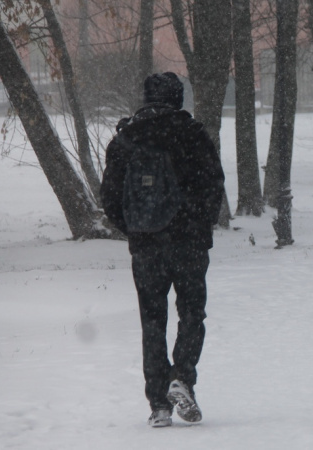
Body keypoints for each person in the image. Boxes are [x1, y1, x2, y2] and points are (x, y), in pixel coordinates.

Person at [101, 72, 225, 427]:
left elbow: (110, 196)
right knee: (191, 313)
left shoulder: (127, 139)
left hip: (146, 245)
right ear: (177, 99)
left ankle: (158, 404)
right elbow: (214, 185)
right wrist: (198, 227)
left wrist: (136, 229)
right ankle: (182, 377)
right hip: (189, 243)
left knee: (152, 322)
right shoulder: (193, 134)